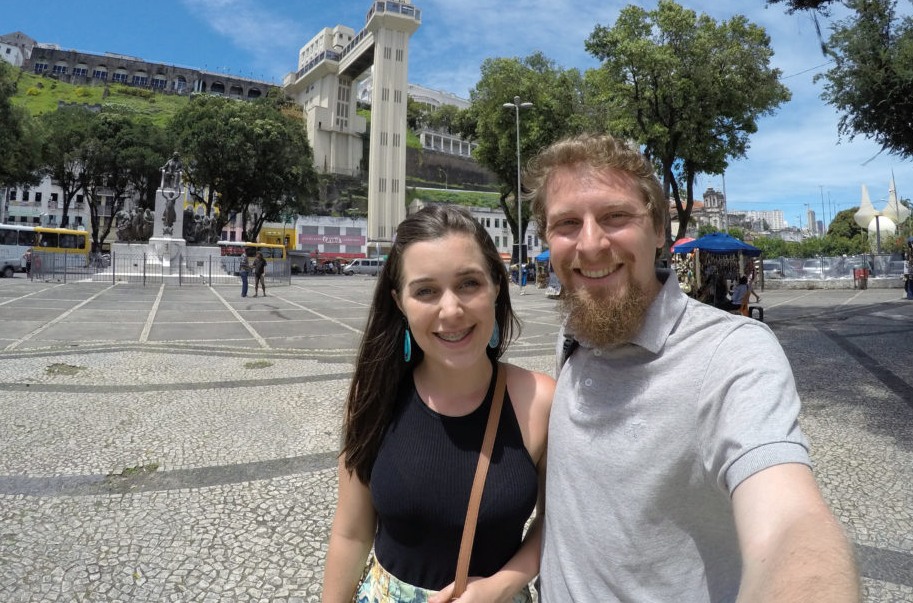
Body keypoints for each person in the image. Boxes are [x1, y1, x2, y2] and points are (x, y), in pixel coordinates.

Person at [523, 134, 860, 603]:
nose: (591, 243)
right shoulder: (576, 334)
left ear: (659, 229)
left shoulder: (732, 352)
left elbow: (789, 522)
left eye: (616, 216)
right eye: (566, 223)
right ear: (547, 239)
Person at [322, 205, 555, 603]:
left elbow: (556, 522)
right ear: (399, 302)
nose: (451, 310)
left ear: (496, 287)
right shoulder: (374, 394)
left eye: (468, 283)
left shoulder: (540, 401)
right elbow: (351, 533)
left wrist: (502, 584)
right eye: (426, 290)